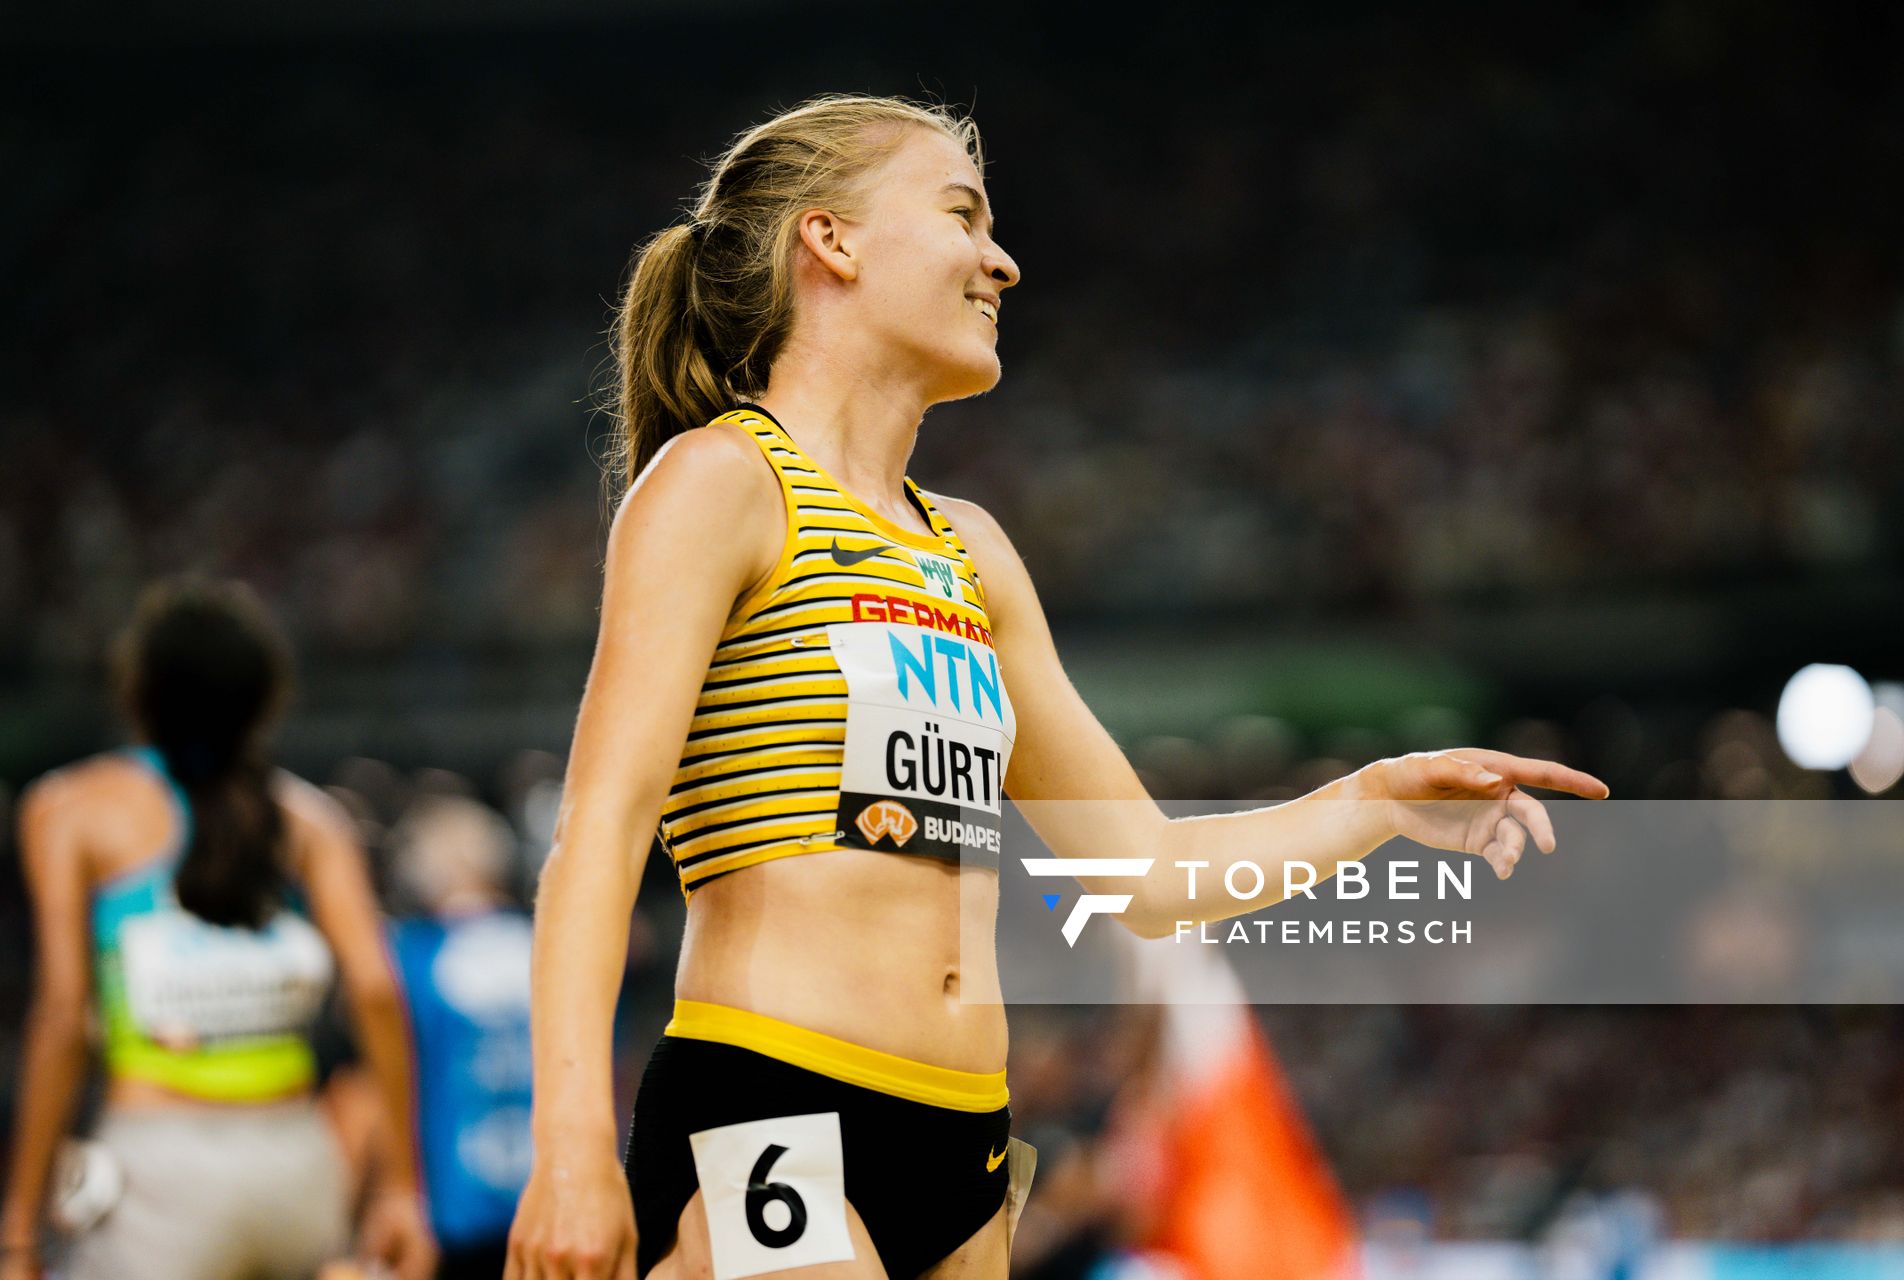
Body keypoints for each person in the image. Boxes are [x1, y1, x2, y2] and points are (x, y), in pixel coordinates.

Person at [505, 93, 1608, 1280]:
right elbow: (598, 834)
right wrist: (568, 1137)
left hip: (967, 1139)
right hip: (775, 1099)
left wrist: (1380, 800)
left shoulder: (969, 548)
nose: (1004, 260)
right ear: (831, 241)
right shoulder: (720, 482)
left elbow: (1146, 875)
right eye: (963, 214)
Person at [0, 578, 438, 1280]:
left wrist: (17, 1231)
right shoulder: (309, 820)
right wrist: (401, 1191)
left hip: (157, 1171)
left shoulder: (71, 810)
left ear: (137, 692)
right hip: (299, 1167)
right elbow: (376, 990)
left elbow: (62, 1016)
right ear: (266, 700)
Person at [388, 793, 535, 1279]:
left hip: (454, 1207)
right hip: (549, 1198)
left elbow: (392, 1080)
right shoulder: (550, 945)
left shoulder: (411, 957)